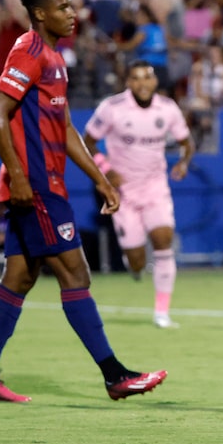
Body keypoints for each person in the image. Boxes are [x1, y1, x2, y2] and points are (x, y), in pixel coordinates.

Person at [0, 0, 166, 404]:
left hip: (43, 182)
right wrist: (17, 174)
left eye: (72, 6)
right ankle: (114, 375)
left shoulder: (55, 57)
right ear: (39, 13)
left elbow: (66, 126)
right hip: (35, 185)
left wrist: (99, 177)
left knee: (18, 278)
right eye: (63, 7)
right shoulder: (29, 50)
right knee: (75, 273)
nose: (72, 14)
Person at [83, 60, 194, 328]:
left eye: (147, 77)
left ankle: (162, 313)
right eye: (136, 78)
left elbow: (186, 141)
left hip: (156, 187)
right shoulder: (112, 108)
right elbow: (87, 141)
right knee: (136, 261)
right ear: (128, 82)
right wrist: (106, 169)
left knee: (163, 238)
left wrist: (183, 162)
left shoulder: (167, 109)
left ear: (155, 82)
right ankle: (133, 264)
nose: (142, 83)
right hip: (123, 193)